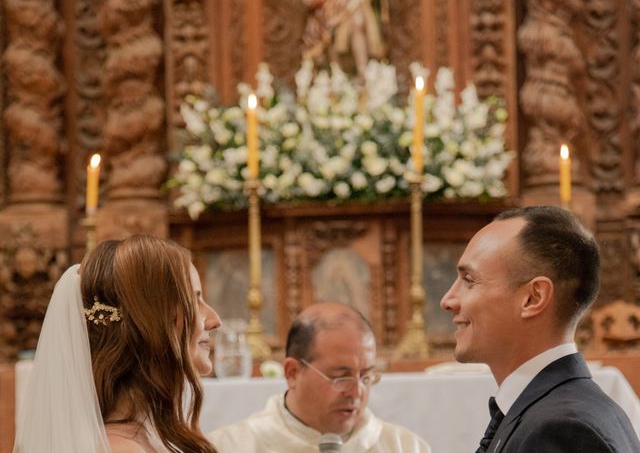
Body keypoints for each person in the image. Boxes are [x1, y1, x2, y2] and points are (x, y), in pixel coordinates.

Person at [440, 205, 640, 452]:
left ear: (533, 299)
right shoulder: (544, 407)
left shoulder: (562, 431)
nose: (447, 300)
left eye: (469, 281)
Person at [13, 234, 221, 453]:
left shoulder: (142, 436)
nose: (215, 320)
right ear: (149, 323)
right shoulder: (122, 448)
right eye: (193, 302)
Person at [208, 302, 431, 452]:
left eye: (366, 376)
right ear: (292, 373)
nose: (356, 392)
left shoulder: (406, 447)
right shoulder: (229, 447)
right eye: (340, 376)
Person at [301, 0, 385, 79]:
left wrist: (343, 14)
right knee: (321, 31)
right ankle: (330, 73)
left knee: (358, 21)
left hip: (347, 14)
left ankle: (362, 72)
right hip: (325, 15)